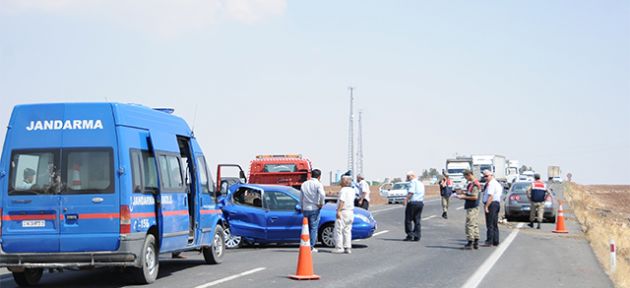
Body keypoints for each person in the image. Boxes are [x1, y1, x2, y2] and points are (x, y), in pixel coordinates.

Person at [300, 168, 326, 252]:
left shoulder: (304, 184)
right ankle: (311, 246)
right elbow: (322, 194)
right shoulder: (318, 184)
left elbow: (301, 197)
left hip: (305, 208)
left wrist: (301, 207)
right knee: (313, 228)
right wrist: (321, 203)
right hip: (314, 208)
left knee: (305, 228)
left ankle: (304, 243)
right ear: (319, 177)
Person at [456, 170, 481, 250]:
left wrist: (463, 197)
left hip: (473, 207)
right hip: (471, 206)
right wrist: (463, 193)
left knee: (470, 224)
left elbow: (474, 197)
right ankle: (476, 241)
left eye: (466, 177)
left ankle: (470, 241)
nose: (466, 179)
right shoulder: (471, 184)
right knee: (474, 224)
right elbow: (470, 194)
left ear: (469, 175)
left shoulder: (475, 185)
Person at [333, 176, 355, 254]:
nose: (340, 182)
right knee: (347, 230)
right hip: (350, 211)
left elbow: (342, 201)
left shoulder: (343, 190)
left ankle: (339, 247)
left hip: (343, 211)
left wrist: (338, 211)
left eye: (341, 180)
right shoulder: (352, 190)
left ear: (344, 182)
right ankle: (347, 247)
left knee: (338, 230)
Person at [482, 170, 502, 247]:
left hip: (491, 204)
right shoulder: (495, 183)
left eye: (487, 176)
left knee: (490, 223)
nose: (485, 178)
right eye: (484, 176)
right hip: (495, 204)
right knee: (494, 223)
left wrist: (486, 206)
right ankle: (495, 240)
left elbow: (490, 196)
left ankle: (489, 241)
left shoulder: (491, 184)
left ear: (491, 175)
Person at [403, 171, 425, 242]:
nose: (407, 178)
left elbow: (411, 192)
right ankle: (417, 235)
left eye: (408, 177)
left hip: (413, 202)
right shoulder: (420, 183)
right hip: (420, 202)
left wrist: (406, 199)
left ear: (412, 176)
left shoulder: (412, 182)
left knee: (408, 220)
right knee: (417, 220)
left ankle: (410, 234)